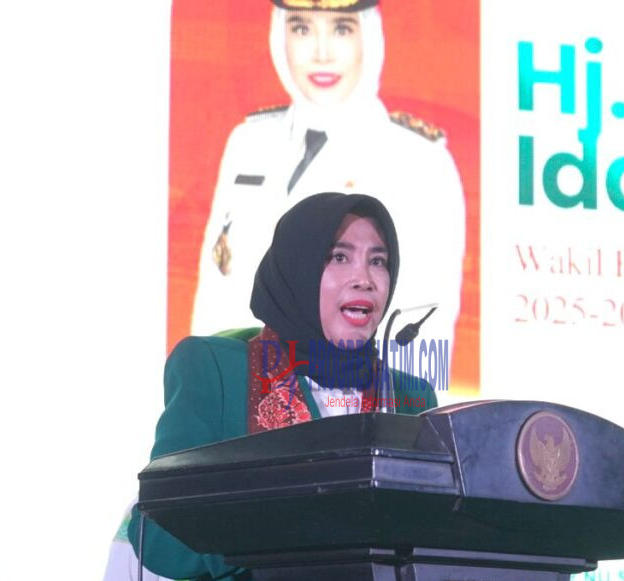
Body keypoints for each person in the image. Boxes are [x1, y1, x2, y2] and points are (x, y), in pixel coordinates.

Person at [130, 192, 436, 581]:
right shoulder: (217, 370)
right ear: (296, 265)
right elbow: (158, 539)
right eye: (339, 257)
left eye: (379, 260)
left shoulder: (411, 397)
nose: (363, 278)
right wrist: (292, 514)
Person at [189, 0, 465, 378]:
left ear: (369, 35)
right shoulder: (248, 142)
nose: (321, 52)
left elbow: (421, 332)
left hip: (349, 404)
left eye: (341, 29)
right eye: (302, 28)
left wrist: (389, 414)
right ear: (279, 34)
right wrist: (205, 387)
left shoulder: (420, 161)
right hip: (236, 395)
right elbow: (214, 291)